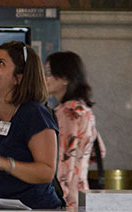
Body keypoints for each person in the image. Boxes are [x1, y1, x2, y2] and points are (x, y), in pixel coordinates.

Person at [0, 41, 62, 209]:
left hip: (34, 207)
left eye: (1, 63)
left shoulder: (35, 114)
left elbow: (46, 172)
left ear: (18, 78)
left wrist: (3, 163)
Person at [45, 51, 105, 208]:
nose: (45, 78)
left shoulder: (67, 112)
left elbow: (65, 159)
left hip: (65, 196)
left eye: (49, 73)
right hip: (81, 191)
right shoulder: (84, 109)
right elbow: (99, 152)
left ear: (65, 78)